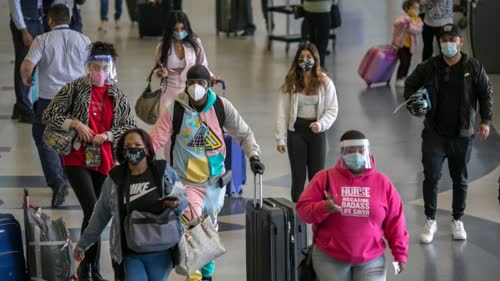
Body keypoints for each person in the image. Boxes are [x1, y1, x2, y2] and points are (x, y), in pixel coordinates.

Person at [150, 64, 265, 281]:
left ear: (209, 85)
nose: (195, 87)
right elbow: (156, 138)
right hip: (185, 182)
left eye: (200, 83)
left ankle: (207, 274)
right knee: (192, 228)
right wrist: (139, 160)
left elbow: (243, 133)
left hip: (215, 182)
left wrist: (254, 156)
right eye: (191, 83)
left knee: (209, 227)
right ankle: (194, 277)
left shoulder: (221, 106)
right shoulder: (176, 109)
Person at [43, 41, 136, 281]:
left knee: (98, 214)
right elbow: (49, 114)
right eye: (95, 66)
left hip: (104, 159)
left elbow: (128, 126)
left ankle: (91, 267)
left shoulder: (118, 94)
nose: (99, 72)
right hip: (76, 157)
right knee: (92, 208)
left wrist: (108, 135)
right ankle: (85, 267)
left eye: (104, 67)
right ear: (87, 66)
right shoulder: (74, 88)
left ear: (111, 68)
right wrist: (75, 124)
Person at [404, 23, 493, 243]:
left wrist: (486, 120)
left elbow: (485, 92)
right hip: (434, 133)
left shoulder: (473, 67)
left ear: (460, 42)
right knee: (431, 176)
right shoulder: (429, 66)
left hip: (462, 134)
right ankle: (430, 220)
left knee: (460, 179)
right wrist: (413, 104)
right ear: (439, 43)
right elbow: (409, 85)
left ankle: (457, 220)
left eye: (452, 40)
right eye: (443, 41)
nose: (448, 44)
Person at [74, 128, 188, 281]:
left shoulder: (163, 172)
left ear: (147, 149)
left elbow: (184, 201)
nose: (132, 149)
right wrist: (83, 245)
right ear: (122, 151)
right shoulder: (115, 180)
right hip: (129, 254)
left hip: (162, 252)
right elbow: (99, 217)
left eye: (137, 145)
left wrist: (177, 204)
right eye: (127, 147)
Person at [296, 130, 409, 281]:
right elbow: (302, 211)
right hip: (330, 257)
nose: (356, 154)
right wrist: (323, 208)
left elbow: (396, 221)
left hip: (372, 259)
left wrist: (400, 254)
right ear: (342, 153)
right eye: (350, 150)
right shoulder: (324, 178)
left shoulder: (382, 183)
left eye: (361, 150)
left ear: (368, 152)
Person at [20, 4, 91, 208]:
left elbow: (27, 66)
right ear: (69, 19)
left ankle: (57, 181)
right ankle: (79, 180)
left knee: (43, 137)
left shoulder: (42, 40)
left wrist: (26, 80)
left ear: (49, 21)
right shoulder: (83, 39)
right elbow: (96, 67)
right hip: (78, 98)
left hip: (50, 99)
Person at [275, 43, 338, 203]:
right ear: (296, 61)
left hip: (317, 132)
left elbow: (332, 109)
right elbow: (282, 112)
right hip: (296, 132)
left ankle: (317, 211)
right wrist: (280, 138)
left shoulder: (325, 83)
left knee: (317, 176)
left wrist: (321, 124)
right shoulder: (291, 84)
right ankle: (298, 215)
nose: (305, 60)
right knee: (298, 177)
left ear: (315, 60)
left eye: (309, 57)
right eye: (301, 58)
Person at [153, 10, 219, 108]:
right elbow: (156, 69)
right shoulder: (163, 46)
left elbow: (203, 66)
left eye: (182, 28)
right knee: (168, 120)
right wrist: (159, 72)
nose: (179, 32)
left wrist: (212, 77)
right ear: (170, 30)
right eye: (175, 29)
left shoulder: (195, 43)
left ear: (187, 27)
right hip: (168, 92)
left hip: (191, 92)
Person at [8, 0, 44, 123]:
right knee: (24, 65)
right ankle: (23, 108)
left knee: (32, 65)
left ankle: (20, 106)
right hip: (26, 24)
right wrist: (23, 30)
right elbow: (15, 6)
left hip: (37, 20)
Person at [393, 0, 423, 87]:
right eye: (414, 8)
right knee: (404, 62)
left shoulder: (419, 20)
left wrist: (409, 25)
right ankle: (399, 78)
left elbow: (417, 30)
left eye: (417, 8)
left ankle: (404, 77)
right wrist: (403, 22)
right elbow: (396, 23)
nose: (416, 10)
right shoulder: (404, 17)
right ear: (407, 9)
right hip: (401, 45)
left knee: (408, 63)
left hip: (411, 47)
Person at [302, 0, 331, 68]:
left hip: (308, 7)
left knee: (312, 42)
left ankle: (312, 69)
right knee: (322, 44)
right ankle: (318, 70)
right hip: (322, 8)